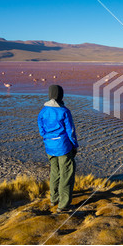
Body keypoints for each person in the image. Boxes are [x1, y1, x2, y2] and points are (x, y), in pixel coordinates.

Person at [38, 85, 78, 213]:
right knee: (66, 174)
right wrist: (74, 146)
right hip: (63, 147)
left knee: (55, 172)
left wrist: (49, 139)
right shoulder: (64, 111)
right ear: (61, 95)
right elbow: (70, 131)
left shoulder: (43, 111)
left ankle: (53, 199)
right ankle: (64, 205)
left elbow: (42, 131)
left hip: (49, 147)